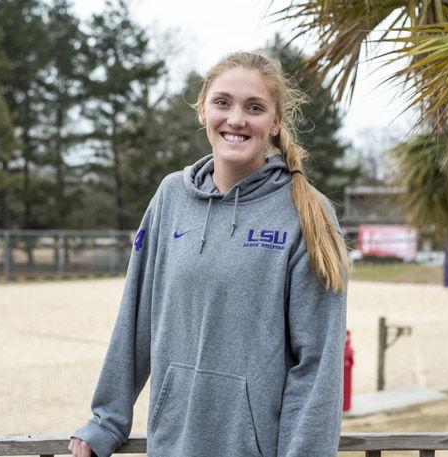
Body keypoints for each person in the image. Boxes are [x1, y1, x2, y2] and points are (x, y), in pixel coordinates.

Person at [69, 50, 348, 457]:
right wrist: (106, 420)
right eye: (222, 102)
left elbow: (317, 365)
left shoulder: (309, 214)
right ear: (202, 111)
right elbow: (135, 319)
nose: (236, 119)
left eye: (254, 108)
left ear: (274, 123)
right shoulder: (170, 198)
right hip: (171, 446)